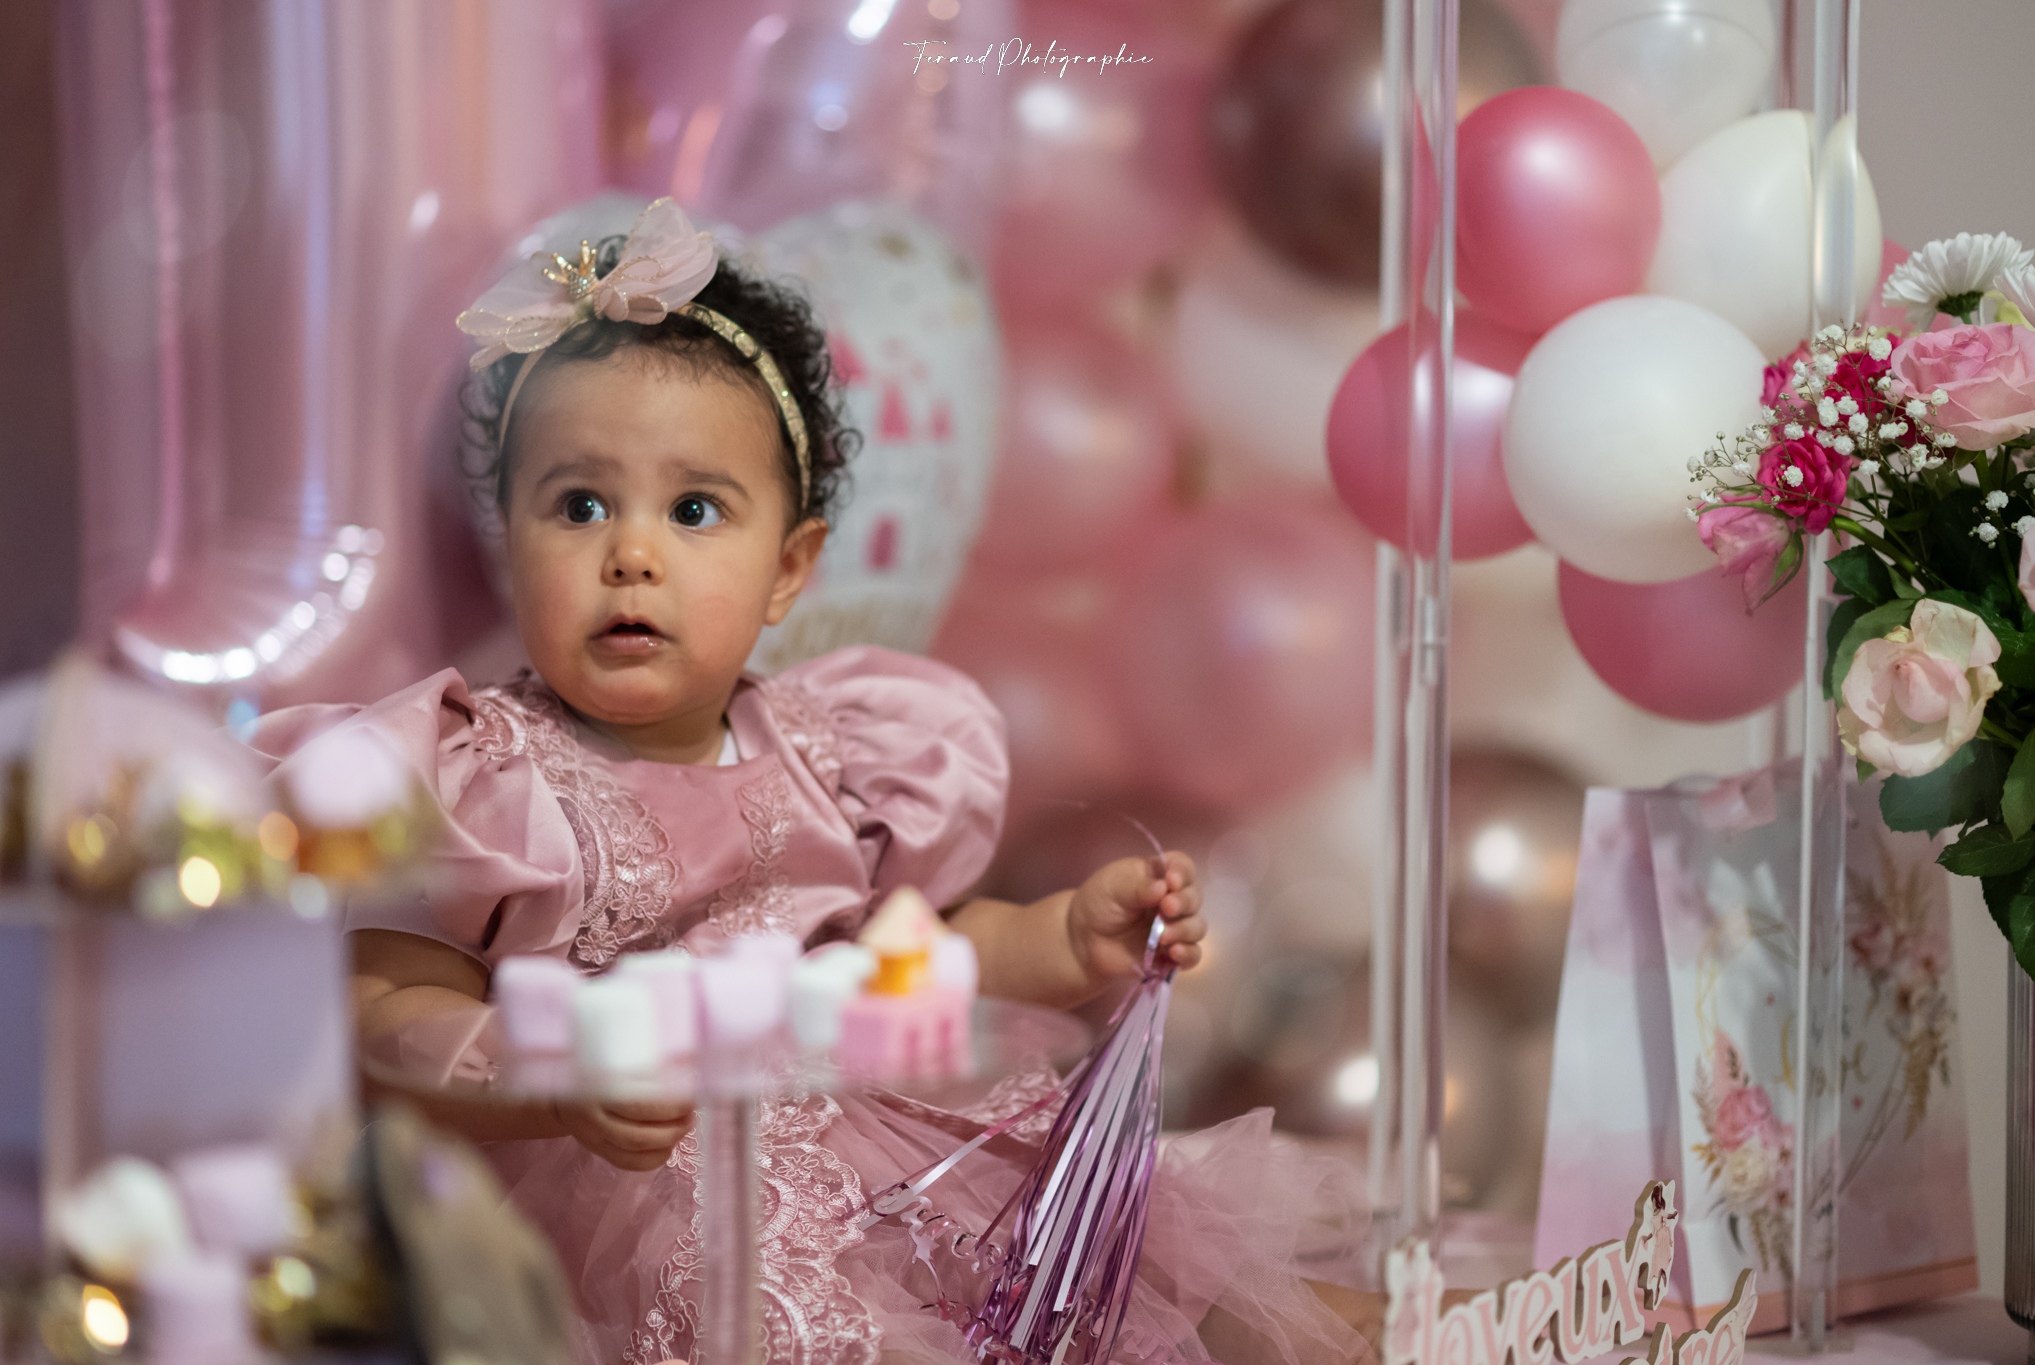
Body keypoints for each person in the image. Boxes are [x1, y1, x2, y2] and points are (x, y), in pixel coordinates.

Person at [253, 198, 1373, 1365]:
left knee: (1134, 1284)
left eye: (694, 511)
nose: (630, 554)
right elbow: (380, 1011)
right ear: (510, 536)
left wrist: (1064, 937)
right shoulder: (481, 776)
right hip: (650, 1212)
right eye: (578, 506)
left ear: (787, 568)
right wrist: (545, 1080)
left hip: (890, 1171)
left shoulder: (836, 750)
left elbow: (916, 958)